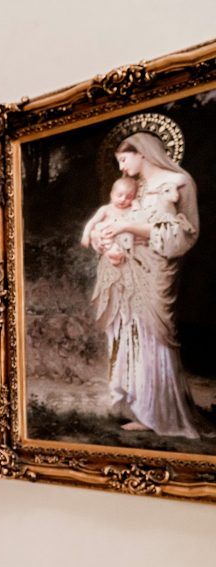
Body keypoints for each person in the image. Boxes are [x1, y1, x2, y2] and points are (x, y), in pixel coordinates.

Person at [90, 129, 214, 438]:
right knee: (132, 333)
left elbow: (186, 235)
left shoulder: (179, 183)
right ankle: (142, 410)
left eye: (124, 159)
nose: (121, 168)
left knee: (154, 336)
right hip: (128, 269)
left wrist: (130, 225)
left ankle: (162, 412)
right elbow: (110, 219)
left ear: (142, 152)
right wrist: (102, 239)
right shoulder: (135, 188)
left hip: (158, 268)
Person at [80, 176, 141, 266]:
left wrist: (136, 205)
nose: (123, 199)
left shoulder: (130, 209)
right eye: (119, 195)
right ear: (112, 194)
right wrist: (85, 235)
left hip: (122, 241)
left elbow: (139, 219)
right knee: (100, 231)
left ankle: (117, 254)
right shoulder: (106, 209)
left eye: (129, 197)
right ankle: (110, 253)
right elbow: (92, 222)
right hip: (106, 239)